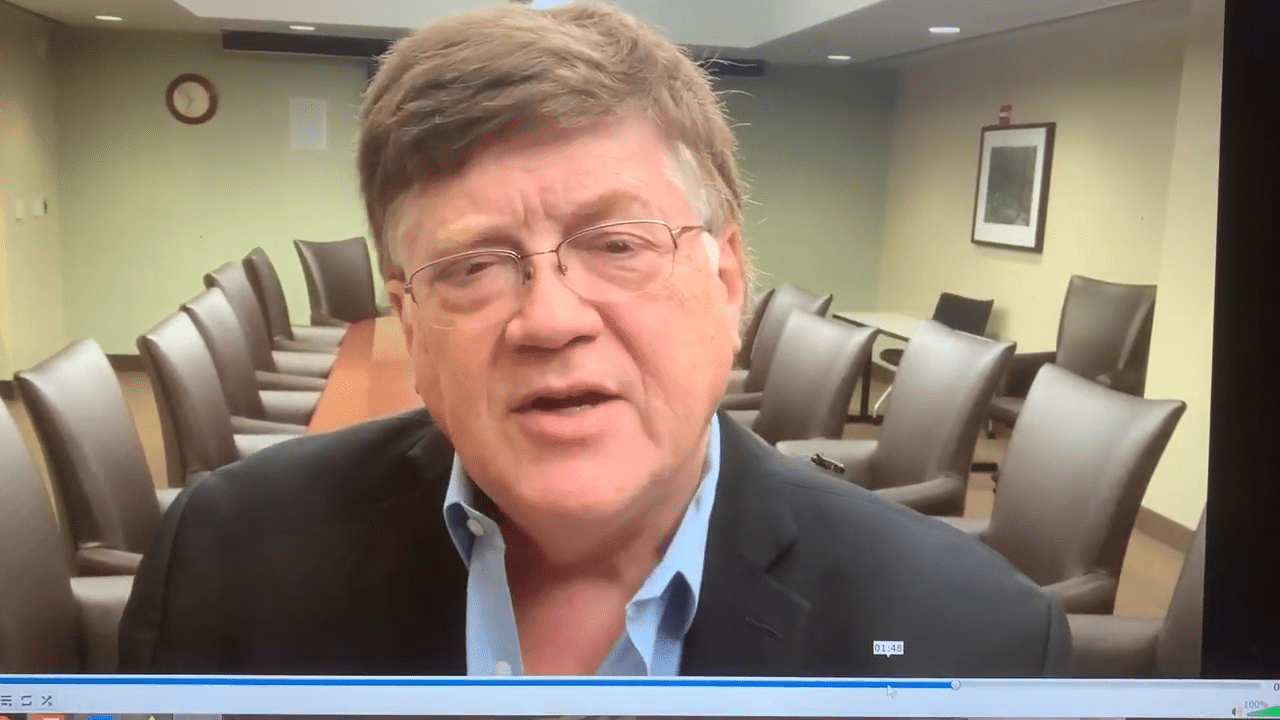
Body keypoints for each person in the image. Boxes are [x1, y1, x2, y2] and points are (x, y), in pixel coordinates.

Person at [117, 1, 1071, 677]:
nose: (551, 318)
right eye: (472, 266)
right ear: (409, 322)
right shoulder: (223, 559)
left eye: (618, 245)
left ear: (728, 280)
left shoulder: (975, 638)